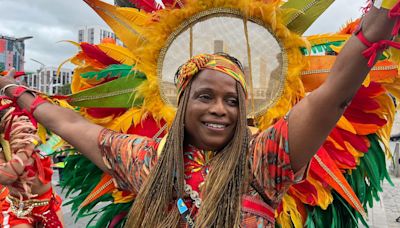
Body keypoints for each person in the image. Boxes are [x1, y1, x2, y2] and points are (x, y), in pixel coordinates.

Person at [0, 2, 399, 227]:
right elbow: (72, 125)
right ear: (183, 104)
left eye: (232, 101)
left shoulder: (262, 160)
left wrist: (379, 23)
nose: (219, 110)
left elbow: (331, 97)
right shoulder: (148, 161)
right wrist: (15, 92)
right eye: (206, 96)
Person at [0, 105, 64, 228]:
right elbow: (8, 177)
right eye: (17, 120)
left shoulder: (44, 141)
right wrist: (27, 148)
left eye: (26, 119)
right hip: (18, 212)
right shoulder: (4, 155)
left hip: (48, 206)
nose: (25, 123)